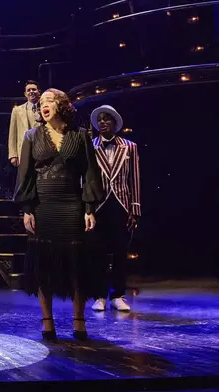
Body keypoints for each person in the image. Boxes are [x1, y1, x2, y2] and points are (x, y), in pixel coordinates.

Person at [14, 88, 104, 341]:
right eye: (41, 102)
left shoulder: (81, 135)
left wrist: (89, 208)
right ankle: (47, 322)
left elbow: (89, 173)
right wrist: (27, 209)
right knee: (44, 266)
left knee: (76, 265)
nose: (43, 105)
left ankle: (79, 321)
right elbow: (26, 174)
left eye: (49, 101)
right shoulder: (32, 135)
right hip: (43, 206)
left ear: (61, 105)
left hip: (72, 204)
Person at [89, 105, 141, 312]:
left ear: (114, 123)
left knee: (120, 252)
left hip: (121, 204)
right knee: (97, 253)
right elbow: (86, 179)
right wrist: (87, 209)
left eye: (106, 119)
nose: (102, 122)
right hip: (98, 205)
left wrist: (134, 209)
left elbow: (134, 179)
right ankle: (99, 295)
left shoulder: (129, 147)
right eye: (99, 119)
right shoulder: (91, 146)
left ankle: (117, 295)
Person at [9, 81, 42, 168]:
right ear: (25, 94)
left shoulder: (45, 108)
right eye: (29, 90)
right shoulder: (17, 110)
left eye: (34, 89)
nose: (31, 91)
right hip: (24, 150)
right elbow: (12, 133)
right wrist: (13, 155)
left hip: (42, 149)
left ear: (39, 92)